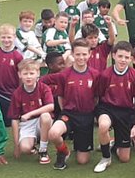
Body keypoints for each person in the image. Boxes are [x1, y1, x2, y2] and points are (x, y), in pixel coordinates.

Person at [41, 40, 102, 170]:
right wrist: (65, 112)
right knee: (53, 133)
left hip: (86, 117)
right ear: (73, 54)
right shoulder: (64, 74)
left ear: (90, 54)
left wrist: (90, 113)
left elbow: (96, 98)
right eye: (78, 54)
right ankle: (63, 151)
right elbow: (60, 97)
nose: (81, 57)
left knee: (82, 160)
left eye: (84, 54)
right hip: (69, 114)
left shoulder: (95, 75)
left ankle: (79, 145)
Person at [92, 42, 135, 173]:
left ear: (131, 59)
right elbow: (98, 97)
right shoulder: (105, 75)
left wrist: (134, 124)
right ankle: (106, 158)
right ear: (114, 56)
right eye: (120, 56)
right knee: (104, 126)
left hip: (125, 112)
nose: (123, 60)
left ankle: (113, 143)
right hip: (107, 108)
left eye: (127, 57)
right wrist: (97, 116)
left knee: (124, 158)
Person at [8, 59, 55, 164]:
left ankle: (43, 150)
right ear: (20, 75)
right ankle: (34, 146)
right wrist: (16, 146)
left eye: (31, 73)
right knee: (25, 148)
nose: (28, 77)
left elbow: (51, 106)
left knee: (46, 116)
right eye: (25, 74)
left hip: (41, 121)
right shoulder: (17, 93)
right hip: (27, 124)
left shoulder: (44, 88)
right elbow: (15, 120)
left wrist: (30, 113)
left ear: (38, 73)